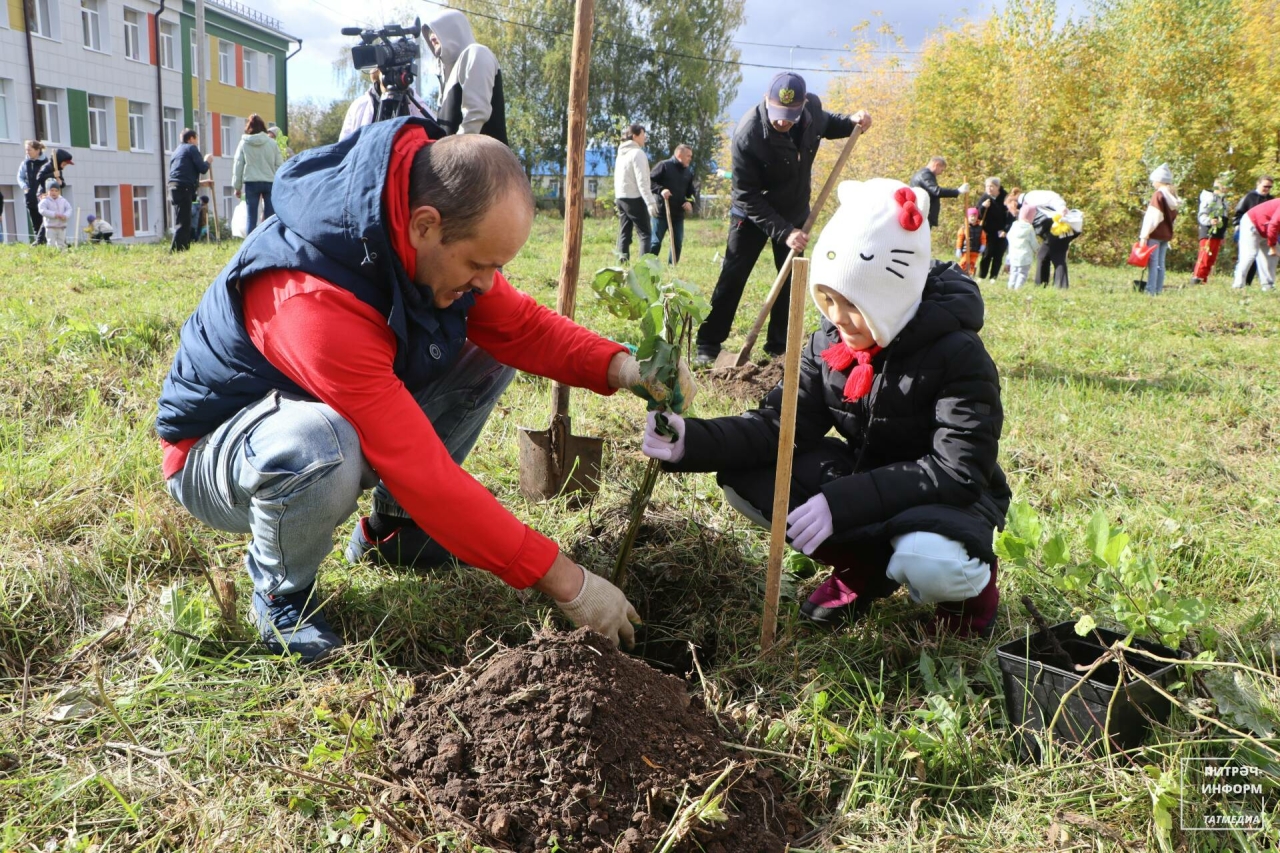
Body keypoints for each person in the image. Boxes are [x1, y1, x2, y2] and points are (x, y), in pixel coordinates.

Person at [155, 119, 692, 661]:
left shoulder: (419, 229)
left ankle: (396, 534)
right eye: (479, 264)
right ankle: (280, 592)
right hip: (217, 454)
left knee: (485, 349)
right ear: (425, 225)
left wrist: (625, 366)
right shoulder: (310, 299)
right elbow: (425, 475)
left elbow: (522, 328)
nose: (486, 282)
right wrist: (567, 581)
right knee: (322, 446)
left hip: (317, 409)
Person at [644, 179, 1007, 636]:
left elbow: (957, 471)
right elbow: (780, 424)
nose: (836, 315)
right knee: (747, 477)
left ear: (893, 295)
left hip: (946, 498)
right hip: (867, 477)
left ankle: (972, 594)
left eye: (853, 304)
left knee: (928, 562)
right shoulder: (828, 344)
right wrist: (691, 441)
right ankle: (867, 568)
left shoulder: (958, 355)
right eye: (828, 298)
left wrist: (842, 502)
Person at [695, 72, 872, 365]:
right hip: (752, 214)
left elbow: (829, 124)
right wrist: (784, 231)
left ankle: (778, 347)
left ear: (802, 105)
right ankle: (709, 343)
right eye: (778, 114)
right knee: (733, 276)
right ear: (767, 100)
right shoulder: (748, 134)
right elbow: (747, 194)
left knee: (789, 278)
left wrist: (853, 121)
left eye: (789, 115)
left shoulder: (812, 110)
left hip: (794, 209)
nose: (782, 122)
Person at [422, 9, 507, 143]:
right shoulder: (446, 75)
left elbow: (476, 114)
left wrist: (450, 155)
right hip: (458, 161)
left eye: (436, 29)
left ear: (453, 29)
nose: (431, 36)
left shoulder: (476, 53)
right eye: (429, 32)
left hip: (483, 161)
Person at [339, 68, 430, 142]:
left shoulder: (415, 102)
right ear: (376, 73)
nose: (395, 75)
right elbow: (343, 150)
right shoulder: (359, 106)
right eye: (388, 71)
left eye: (399, 70)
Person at [613, 124, 659, 263]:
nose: (645, 138)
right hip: (634, 198)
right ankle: (644, 268)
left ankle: (622, 264)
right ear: (635, 136)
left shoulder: (621, 153)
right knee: (645, 234)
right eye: (643, 135)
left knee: (624, 233)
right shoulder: (637, 153)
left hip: (621, 197)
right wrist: (650, 202)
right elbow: (642, 180)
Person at [232, 114, 284, 234]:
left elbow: (238, 165)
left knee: (252, 216)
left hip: (252, 182)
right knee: (270, 217)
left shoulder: (244, 143)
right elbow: (279, 165)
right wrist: (279, 184)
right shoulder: (272, 143)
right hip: (270, 182)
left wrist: (237, 187)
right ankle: (269, 242)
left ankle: (251, 245)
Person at [649, 143, 698, 263]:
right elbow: (649, 181)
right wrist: (661, 190)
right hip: (661, 212)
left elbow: (691, 193)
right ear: (679, 154)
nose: (690, 159)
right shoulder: (664, 166)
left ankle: (673, 268)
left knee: (677, 243)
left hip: (677, 215)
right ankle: (648, 266)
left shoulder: (688, 173)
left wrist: (690, 203)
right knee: (655, 243)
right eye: (688, 156)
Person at [1138, 163, 1181, 297]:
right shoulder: (1173, 196)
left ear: (1159, 180)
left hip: (1155, 233)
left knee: (1153, 263)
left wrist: (1144, 235)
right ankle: (1158, 289)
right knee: (1161, 264)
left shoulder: (1158, 195)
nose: (1153, 183)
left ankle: (1150, 290)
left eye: (1154, 180)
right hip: (1166, 234)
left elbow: (1153, 217)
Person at [169, 128, 213, 252]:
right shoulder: (191, 148)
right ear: (191, 139)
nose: (197, 142)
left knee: (183, 219)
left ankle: (183, 248)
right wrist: (208, 161)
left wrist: (200, 183)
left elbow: (182, 173)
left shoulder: (176, 151)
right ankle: (175, 250)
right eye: (196, 139)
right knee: (184, 222)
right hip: (184, 188)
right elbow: (202, 168)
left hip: (173, 187)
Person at [1231, 196, 1280, 291]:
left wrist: (1273, 246)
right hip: (1252, 221)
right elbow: (1273, 225)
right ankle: (1238, 285)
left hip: (1266, 228)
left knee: (1272, 256)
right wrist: (1272, 245)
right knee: (1250, 254)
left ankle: (1268, 286)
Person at [909, 156, 969, 231]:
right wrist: (958, 191)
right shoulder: (925, 175)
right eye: (941, 170)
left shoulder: (925, 174)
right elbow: (936, 191)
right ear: (937, 165)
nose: (941, 173)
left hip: (924, 214)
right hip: (923, 215)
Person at [1233, 176, 1272, 286]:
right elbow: (1239, 214)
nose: (1267, 189)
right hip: (1248, 230)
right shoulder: (1249, 197)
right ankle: (1240, 282)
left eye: (1269, 187)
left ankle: (1249, 283)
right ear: (1258, 184)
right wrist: (1238, 227)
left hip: (1263, 233)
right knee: (1247, 256)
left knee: (1260, 258)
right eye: (1265, 186)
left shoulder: (1271, 199)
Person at [1192, 177, 1230, 284]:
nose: (1225, 189)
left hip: (1218, 232)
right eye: (1223, 186)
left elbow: (1224, 219)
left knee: (1212, 258)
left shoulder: (1224, 202)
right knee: (1205, 256)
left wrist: (1223, 235)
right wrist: (1210, 221)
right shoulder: (1209, 199)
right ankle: (1197, 278)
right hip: (1208, 231)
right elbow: (1202, 215)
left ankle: (1204, 280)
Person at [975, 177, 1010, 280]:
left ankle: (993, 277)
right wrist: (983, 206)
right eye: (987, 186)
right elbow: (977, 215)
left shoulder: (1005, 197)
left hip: (1001, 231)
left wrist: (1006, 230)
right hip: (987, 231)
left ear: (998, 187)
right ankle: (982, 276)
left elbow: (1010, 216)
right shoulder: (985, 197)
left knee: (998, 255)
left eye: (991, 186)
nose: (988, 189)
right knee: (987, 254)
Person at [17, 140, 48, 244]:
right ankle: (39, 246)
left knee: (46, 223)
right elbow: (20, 177)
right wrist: (25, 187)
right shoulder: (25, 163)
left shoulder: (46, 163)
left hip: (44, 197)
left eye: (29, 150)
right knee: (36, 224)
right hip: (30, 197)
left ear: (38, 150)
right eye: (26, 150)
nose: (27, 152)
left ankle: (50, 244)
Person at [1004, 204, 1038, 290]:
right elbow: (1033, 242)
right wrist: (1037, 249)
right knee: (1022, 273)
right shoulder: (1029, 228)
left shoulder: (1014, 225)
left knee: (1013, 272)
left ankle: (1010, 287)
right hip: (1024, 255)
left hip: (1013, 254)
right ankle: (1018, 289)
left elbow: (1009, 236)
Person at [37, 181, 72, 248]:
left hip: (61, 226)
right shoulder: (45, 201)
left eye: (56, 191)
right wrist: (54, 214)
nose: (54, 192)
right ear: (48, 191)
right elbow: (42, 210)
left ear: (59, 191)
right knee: (51, 243)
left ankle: (62, 255)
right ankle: (51, 256)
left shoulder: (63, 200)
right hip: (50, 226)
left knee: (61, 243)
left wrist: (65, 216)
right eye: (52, 190)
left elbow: (69, 209)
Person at [954, 207, 984, 275]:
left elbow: (983, 238)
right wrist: (958, 248)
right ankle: (959, 273)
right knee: (964, 262)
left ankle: (970, 274)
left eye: (975, 216)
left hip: (975, 250)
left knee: (972, 263)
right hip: (966, 250)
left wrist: (983, 245)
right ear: (968, 217)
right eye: (971, 216)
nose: (973, 218)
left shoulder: (980, 229)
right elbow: (960, 239)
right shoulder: (964, 228)